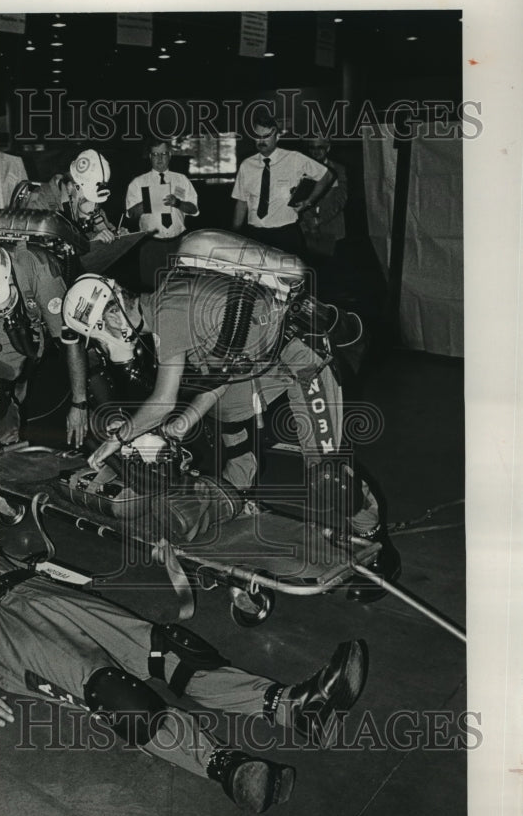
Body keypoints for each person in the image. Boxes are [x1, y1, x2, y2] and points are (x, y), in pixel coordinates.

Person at [0, 518, 370, 816]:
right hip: (3, 635)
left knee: (171, 650)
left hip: (44, 594)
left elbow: (24, 549)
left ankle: (294, 708)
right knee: (121, 698)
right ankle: (227, 769)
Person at [63, 229, 400, 584]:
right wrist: (189, 417)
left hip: (303, 358)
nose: (108, 340)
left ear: (114, 317)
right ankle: (231, 514)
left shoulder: (167, 313)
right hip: (257, 363)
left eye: (102, 332)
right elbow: (224, 369)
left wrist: (118, 438)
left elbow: (162, 402)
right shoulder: (166, 307)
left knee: (330, 480)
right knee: (235, 448)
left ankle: (378, 543)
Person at [0, 226, 89, 448]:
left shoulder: (40, 268)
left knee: (91, 358)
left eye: (1, 299)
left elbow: (71, 338)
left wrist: (79, 402)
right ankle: (11, 445)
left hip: (48, 311)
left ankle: (112, 420)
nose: (0, 306)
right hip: (9, 326)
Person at [231, 108, 334, 256]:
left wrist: (309, 201)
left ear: (277, 136)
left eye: (266, 136)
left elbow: (327, 175)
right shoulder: (246, 165)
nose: (261, 141)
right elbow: (241, 202)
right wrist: (234, 233)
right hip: (255, 235)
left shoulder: (294, 158)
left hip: (285, 234)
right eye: (257, 136)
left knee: (290, 277)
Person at [125, 139, 199, 288]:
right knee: (152, 289)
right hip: (151, 246)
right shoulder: (138, 183)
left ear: (170, 155)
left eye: (163, 154)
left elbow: (194, 210)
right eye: (155, 154)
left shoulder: (181, 180)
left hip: (179, 244)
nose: (159, 158)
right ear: (150, 157)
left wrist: (177, 203)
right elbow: (131, 215)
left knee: (180, 289)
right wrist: (148, 200)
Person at [30, 149, 118, 246]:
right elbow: (36, 250)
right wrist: (88, 244)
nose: (93, 206)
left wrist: (115, 235)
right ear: (71, 186)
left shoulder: (88, 201)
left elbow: (104, 228)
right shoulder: (41, 201)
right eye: (87, 199)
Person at [298, 137, 348, 265]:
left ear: (328, 148)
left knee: (331, 274)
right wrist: (309, 221)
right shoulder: (301, 169)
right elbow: (297, 198)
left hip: (331, 231)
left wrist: (320, 220)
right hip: (306, 230)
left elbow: (340, 200)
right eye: (312, 147)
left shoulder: (339, 169)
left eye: (320, 147)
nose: (316, 152)